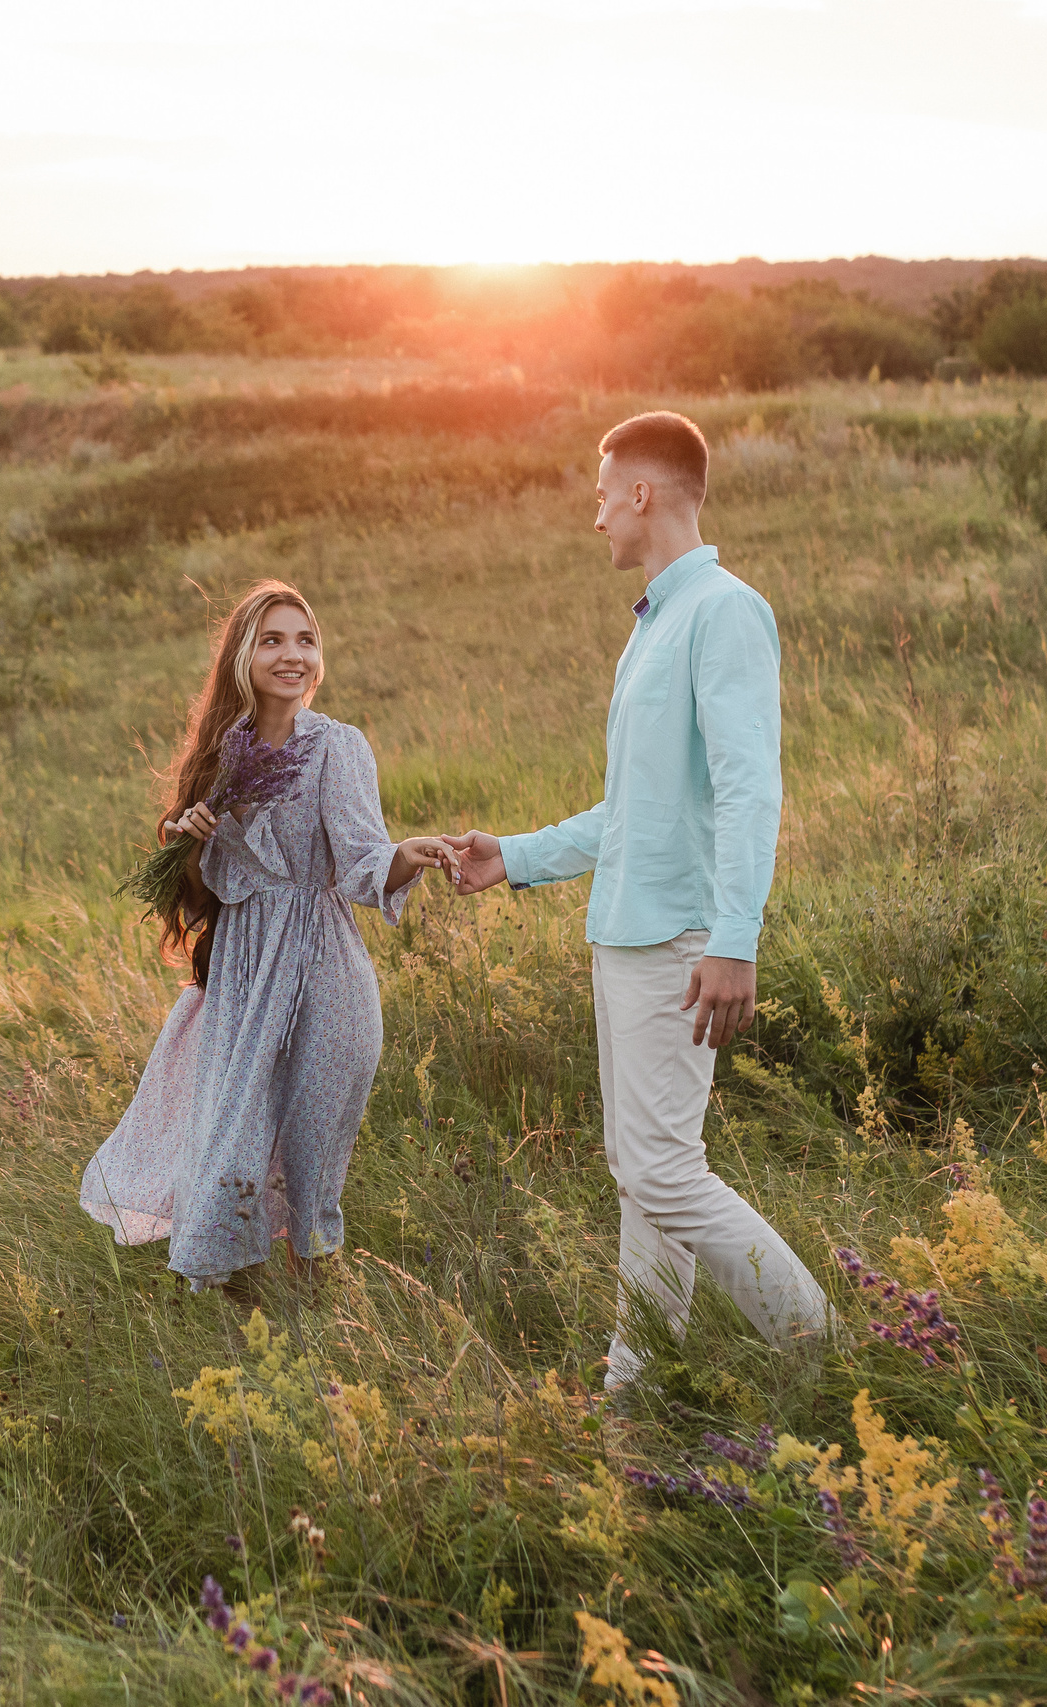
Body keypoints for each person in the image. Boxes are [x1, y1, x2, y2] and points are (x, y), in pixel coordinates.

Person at [442, 412, 828, 1392]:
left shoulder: (723, 611)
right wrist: (517, 857)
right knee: (641, 1174)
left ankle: (823, 1352)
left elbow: (751, 785)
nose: (596, 516)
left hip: (679, 942)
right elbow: (640, 807)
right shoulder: (653, 626)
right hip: (625, 935)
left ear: (643, 494)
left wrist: (734, 939)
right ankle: (638, 1383)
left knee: (662, 1173)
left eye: (602, 494)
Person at [82, 580, 461, 1295]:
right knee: (233, 1146)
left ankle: (319, 1309)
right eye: (274, 639)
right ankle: (232, 1307)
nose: (294, 654)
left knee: (315, 1156)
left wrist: (410, 851)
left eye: (306, 640)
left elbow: (361, 860)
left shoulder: (336, 748)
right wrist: (180, 832)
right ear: (242, 657)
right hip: (245, 977)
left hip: (324, 972)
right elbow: (190, 862)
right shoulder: (225, 756)